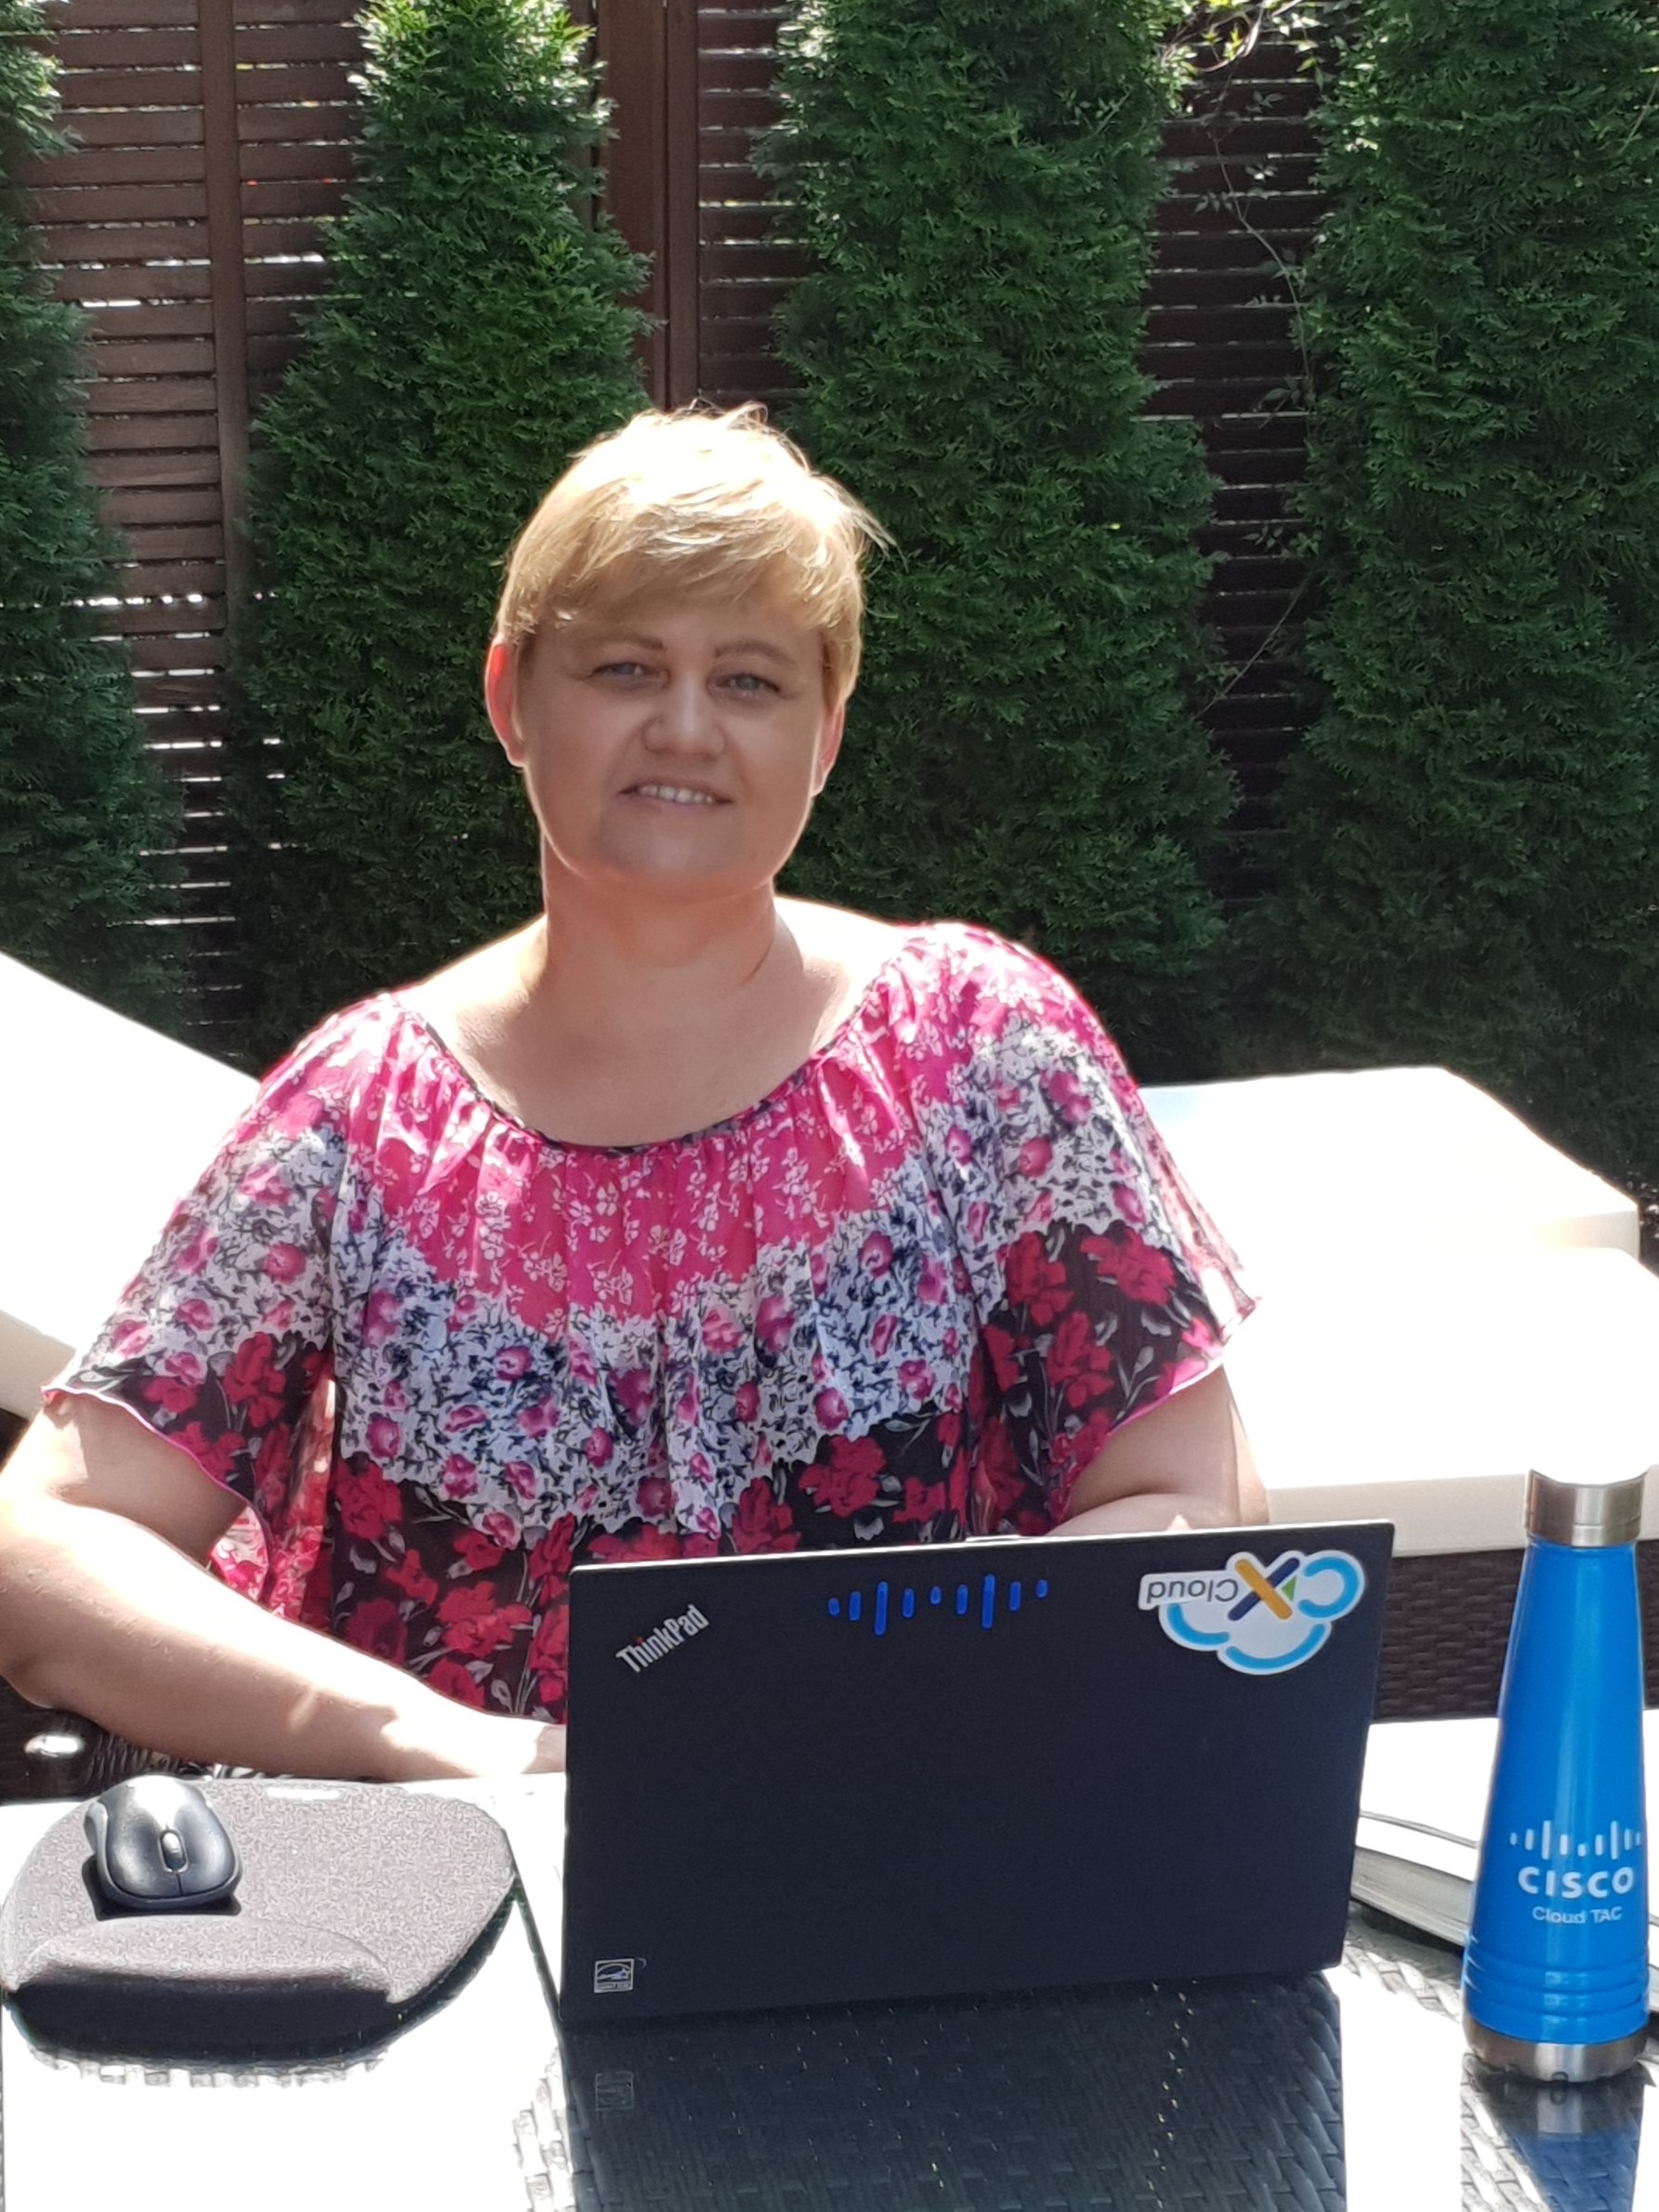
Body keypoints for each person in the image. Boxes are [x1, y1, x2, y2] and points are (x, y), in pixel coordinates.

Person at [0, 406, 1261, 1784]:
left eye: (751, 680)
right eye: (622, 664)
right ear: (509, 700)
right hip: (464, 1928)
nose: (683, 725)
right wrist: (485, 1758)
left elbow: (1189, 1507)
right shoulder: (363, 1123)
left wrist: (884, 1715)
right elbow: (46, 1552)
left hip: (916, 1884)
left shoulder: (986, 1055)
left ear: (826, 735)